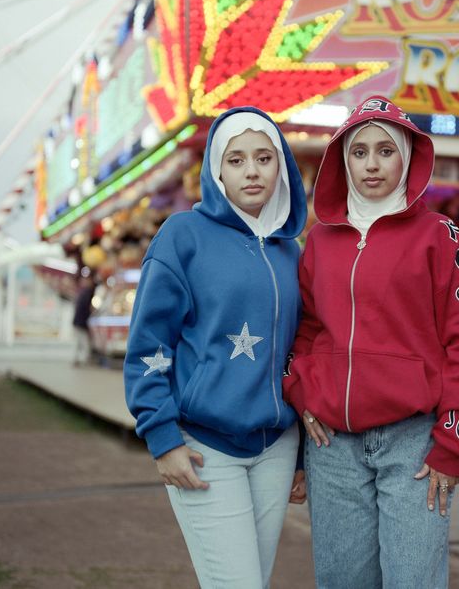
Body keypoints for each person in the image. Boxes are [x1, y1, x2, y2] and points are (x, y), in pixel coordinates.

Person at [282, 96, 459, 588]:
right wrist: (303, 389)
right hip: (332, 448)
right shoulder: (320, 241)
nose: (372, 163)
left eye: (385, 150)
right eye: (359, 152)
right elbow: (306, 331)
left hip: (415, 445)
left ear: (407, 158)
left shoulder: (439, 236)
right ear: (342, 161)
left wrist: (452, 444)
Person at [123, 107, 308, 589]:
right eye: (237, 159)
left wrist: (303, 454)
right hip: (204, 447)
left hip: (276, 448)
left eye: (265, 158)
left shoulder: (292, 251)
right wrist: (162, 437)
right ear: (216, 170)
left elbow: (301, 353)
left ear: (282, 166)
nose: (252, 170)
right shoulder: (183, 236)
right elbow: (149, 346)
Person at [72, 275, 96, 365]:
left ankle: (77, 359)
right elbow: (88, 309)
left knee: (79, 342)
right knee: (84, 342)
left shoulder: (82, 292)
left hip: (78, 322)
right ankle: (85, 359)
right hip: (81, 322)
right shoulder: (87, 293)